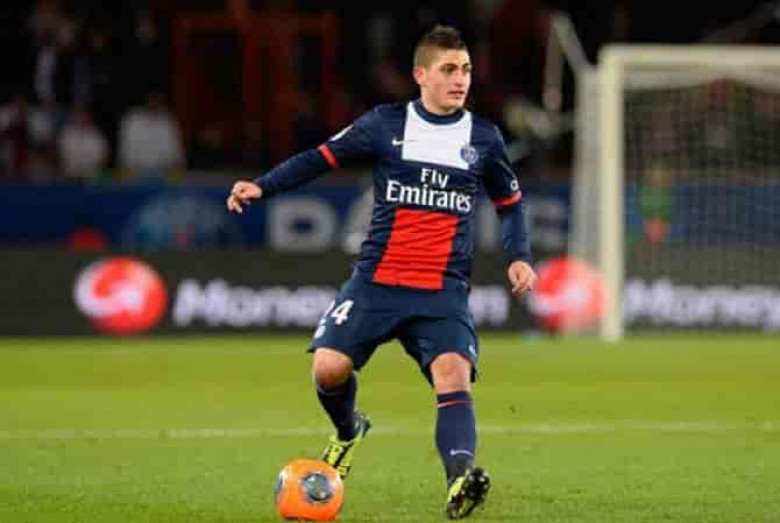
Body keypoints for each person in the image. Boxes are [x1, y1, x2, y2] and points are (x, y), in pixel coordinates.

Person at [227, 25, 537, 519]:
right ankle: (349, 430)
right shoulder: (384, 124)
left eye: (466, 70)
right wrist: (263, 186)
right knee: (328, 368)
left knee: (453, 376)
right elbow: (320, 158)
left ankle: (459, 481)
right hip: (377, 280)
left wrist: (519, 255)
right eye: (449, 70)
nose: (460, 80)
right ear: (421, 75)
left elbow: (511, 204)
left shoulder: (483, 137)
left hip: (441, 289)